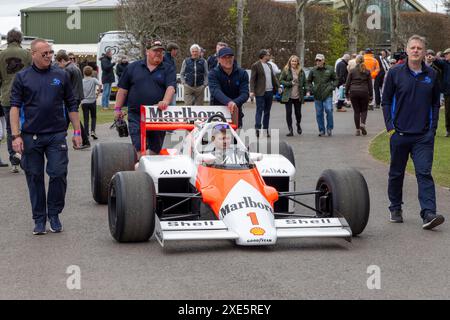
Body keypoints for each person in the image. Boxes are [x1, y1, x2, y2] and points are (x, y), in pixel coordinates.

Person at [9, 38, 82, 235]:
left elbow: (72, 104)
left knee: (58, 173)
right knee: (34, 177)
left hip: (56, 135)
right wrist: (15, 136)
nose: (49, 56)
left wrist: (77, 131)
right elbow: (14, 108)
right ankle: (39, 218)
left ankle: (55, 214)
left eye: (51, 52)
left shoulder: (61, 75)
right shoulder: (22, 77)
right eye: (44, 54)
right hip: (30, 135)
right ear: (33, 54)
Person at [382, 35, 444, 230]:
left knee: (424, 173)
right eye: (413, 47)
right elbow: (385, 101)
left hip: (423, 136)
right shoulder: (394, 73)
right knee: (396, 173)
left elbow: (435, 103)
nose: (416, 50)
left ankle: (428, 214)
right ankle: (395, 208)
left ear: (425, 52)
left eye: (419, 48)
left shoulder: (432, 75)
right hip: (399, 134)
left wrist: (432, 128)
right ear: (407, 50)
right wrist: (391, 128)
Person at [114, 39, 176, 157]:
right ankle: (139, 172)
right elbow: (122, 90)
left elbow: (171, 87)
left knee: (155, 150)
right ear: (147, 51)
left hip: (157, 115)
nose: (158, 53)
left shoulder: (168, 68)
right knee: (138, 148)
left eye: (161, 51)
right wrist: (117, 109)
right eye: (155, 51)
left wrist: (165, 101)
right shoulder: (132, 67)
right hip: (136, 114)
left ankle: (149, 171)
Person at [0, 28, 32, 173]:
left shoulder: (1, 55)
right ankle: (26, 157)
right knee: (26, 125)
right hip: (26, 96)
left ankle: (14, 159)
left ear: (8, 39)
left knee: (10, 128)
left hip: (7, 96)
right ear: (20, 39)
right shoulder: (26, 54)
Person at [55, 51, 90, 149]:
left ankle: (59, 140)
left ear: (62, 60)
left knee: (65, 120)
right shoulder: (75, 67)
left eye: (58, 63)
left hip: (71, 97)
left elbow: (64, 85)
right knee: (74, 119)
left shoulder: (67, 70)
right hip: (77, 96)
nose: (58, 66)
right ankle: (85, 140)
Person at [208, 47, 249, 129]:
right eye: (224, 57)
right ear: (218, 60)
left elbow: (245, 93)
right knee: (218, 139)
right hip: (218, 112)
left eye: (230, 57)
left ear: (233, 58)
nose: (228, 60)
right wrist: (229, 102)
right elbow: (215, 91)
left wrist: (234, 103)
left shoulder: (242, 73)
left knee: (235, 139)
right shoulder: (213, 74)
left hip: (236, 112)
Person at [250, 49, 279, 138]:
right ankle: (257, 129)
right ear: (263, 56)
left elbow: (273, 78)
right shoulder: (256, 65)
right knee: (259, 110)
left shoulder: (269, 65)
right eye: (268, 55)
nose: (269, 56)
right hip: (260, 92)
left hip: (269, 92)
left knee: (267, 112)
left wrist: (278, 87)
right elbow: (252, 79)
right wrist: (251, 91)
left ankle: (265, 130)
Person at [307, 53, 338, 137]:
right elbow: (308, 81)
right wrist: (311, 89)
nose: (318, 62)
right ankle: (321, 130)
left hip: (327, 94)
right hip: (317, 95)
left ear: (323, 61)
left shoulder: (330, 69)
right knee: (319, 113)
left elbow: (336, 80)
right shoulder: (313, 70)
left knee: (328, 110)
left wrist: (332, 87)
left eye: (319, 60)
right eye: (316, 60)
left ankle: (329, 128)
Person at [345, 55, 373, 136]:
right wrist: (371, 96)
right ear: (363, 61)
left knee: (356, 111)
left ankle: (357, 130)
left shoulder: (352, 71)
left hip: (354, 92)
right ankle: (362, 124)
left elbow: (347, 83)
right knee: (364, 110)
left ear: (356, 61)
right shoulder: (367, 71)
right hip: (364, 92)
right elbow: (370, 85)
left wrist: (346, 93)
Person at [279, 55, 306, 136]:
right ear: (290, 62)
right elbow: (281, 80)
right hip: (288, 96)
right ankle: (290, 129)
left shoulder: (301, 71)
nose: (293, 62)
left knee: (298, 113)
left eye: (295, 61)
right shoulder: (286, 70)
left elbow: (305, 82)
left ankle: (298, 124)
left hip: (298, 95)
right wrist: (290, 83)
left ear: (297, 62)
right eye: (292, 61)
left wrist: (307, 90)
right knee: (289, 113)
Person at [433, 48, 450, 137]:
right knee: (448, 112)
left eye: (447, 54)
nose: (445, 55)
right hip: (448, 92)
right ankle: (448, 130)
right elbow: (438, 62)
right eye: (445, 54)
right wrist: (434, 58)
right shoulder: (445, 64)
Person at [81, 66, 102, 140]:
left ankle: (86, 133)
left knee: (86, 118)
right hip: (92, 100)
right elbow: (100, 84)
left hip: (84, 101)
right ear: (91, 72)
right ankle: (93, 131)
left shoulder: (82, 81)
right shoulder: (93, 79)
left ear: (83, 72)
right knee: (93, 117)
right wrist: (98, 93)